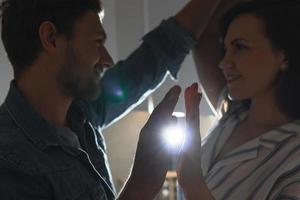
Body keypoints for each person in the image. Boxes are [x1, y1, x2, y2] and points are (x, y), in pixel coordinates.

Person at [0, 0, 226, 199]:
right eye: (97, 42)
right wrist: (139, 188)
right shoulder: (8, 162)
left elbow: (158, 52)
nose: (107, 60)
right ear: (50, 38)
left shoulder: (83, 110)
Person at [175, 0, 300, 199]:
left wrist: (193, 186)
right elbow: (205, 31)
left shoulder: (294, 153)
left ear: (284, 56)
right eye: (225, 49)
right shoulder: (231, 113)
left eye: (240, 47)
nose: (224, 63)